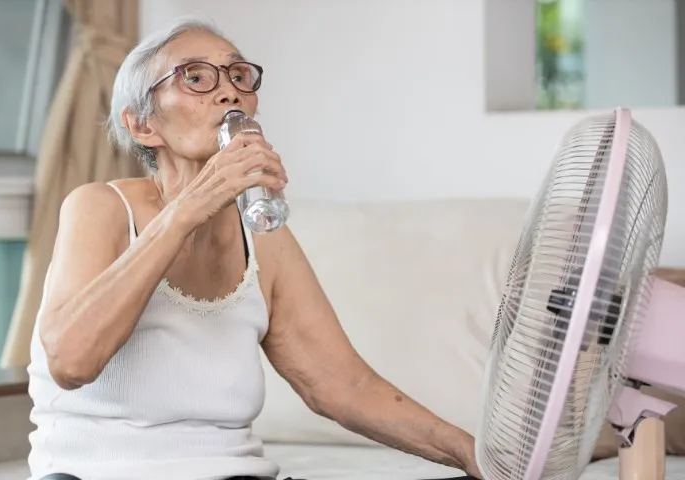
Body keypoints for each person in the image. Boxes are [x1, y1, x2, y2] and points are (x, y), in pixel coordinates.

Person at [25, 17, 482, 480]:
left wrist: (470, 451)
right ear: (143, 125)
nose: (230, 93)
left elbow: (343, 385)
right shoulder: (99, 207)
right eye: (197, 77)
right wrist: (188, 209)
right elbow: (71, 362)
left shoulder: (264, 235)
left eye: (239, 76)